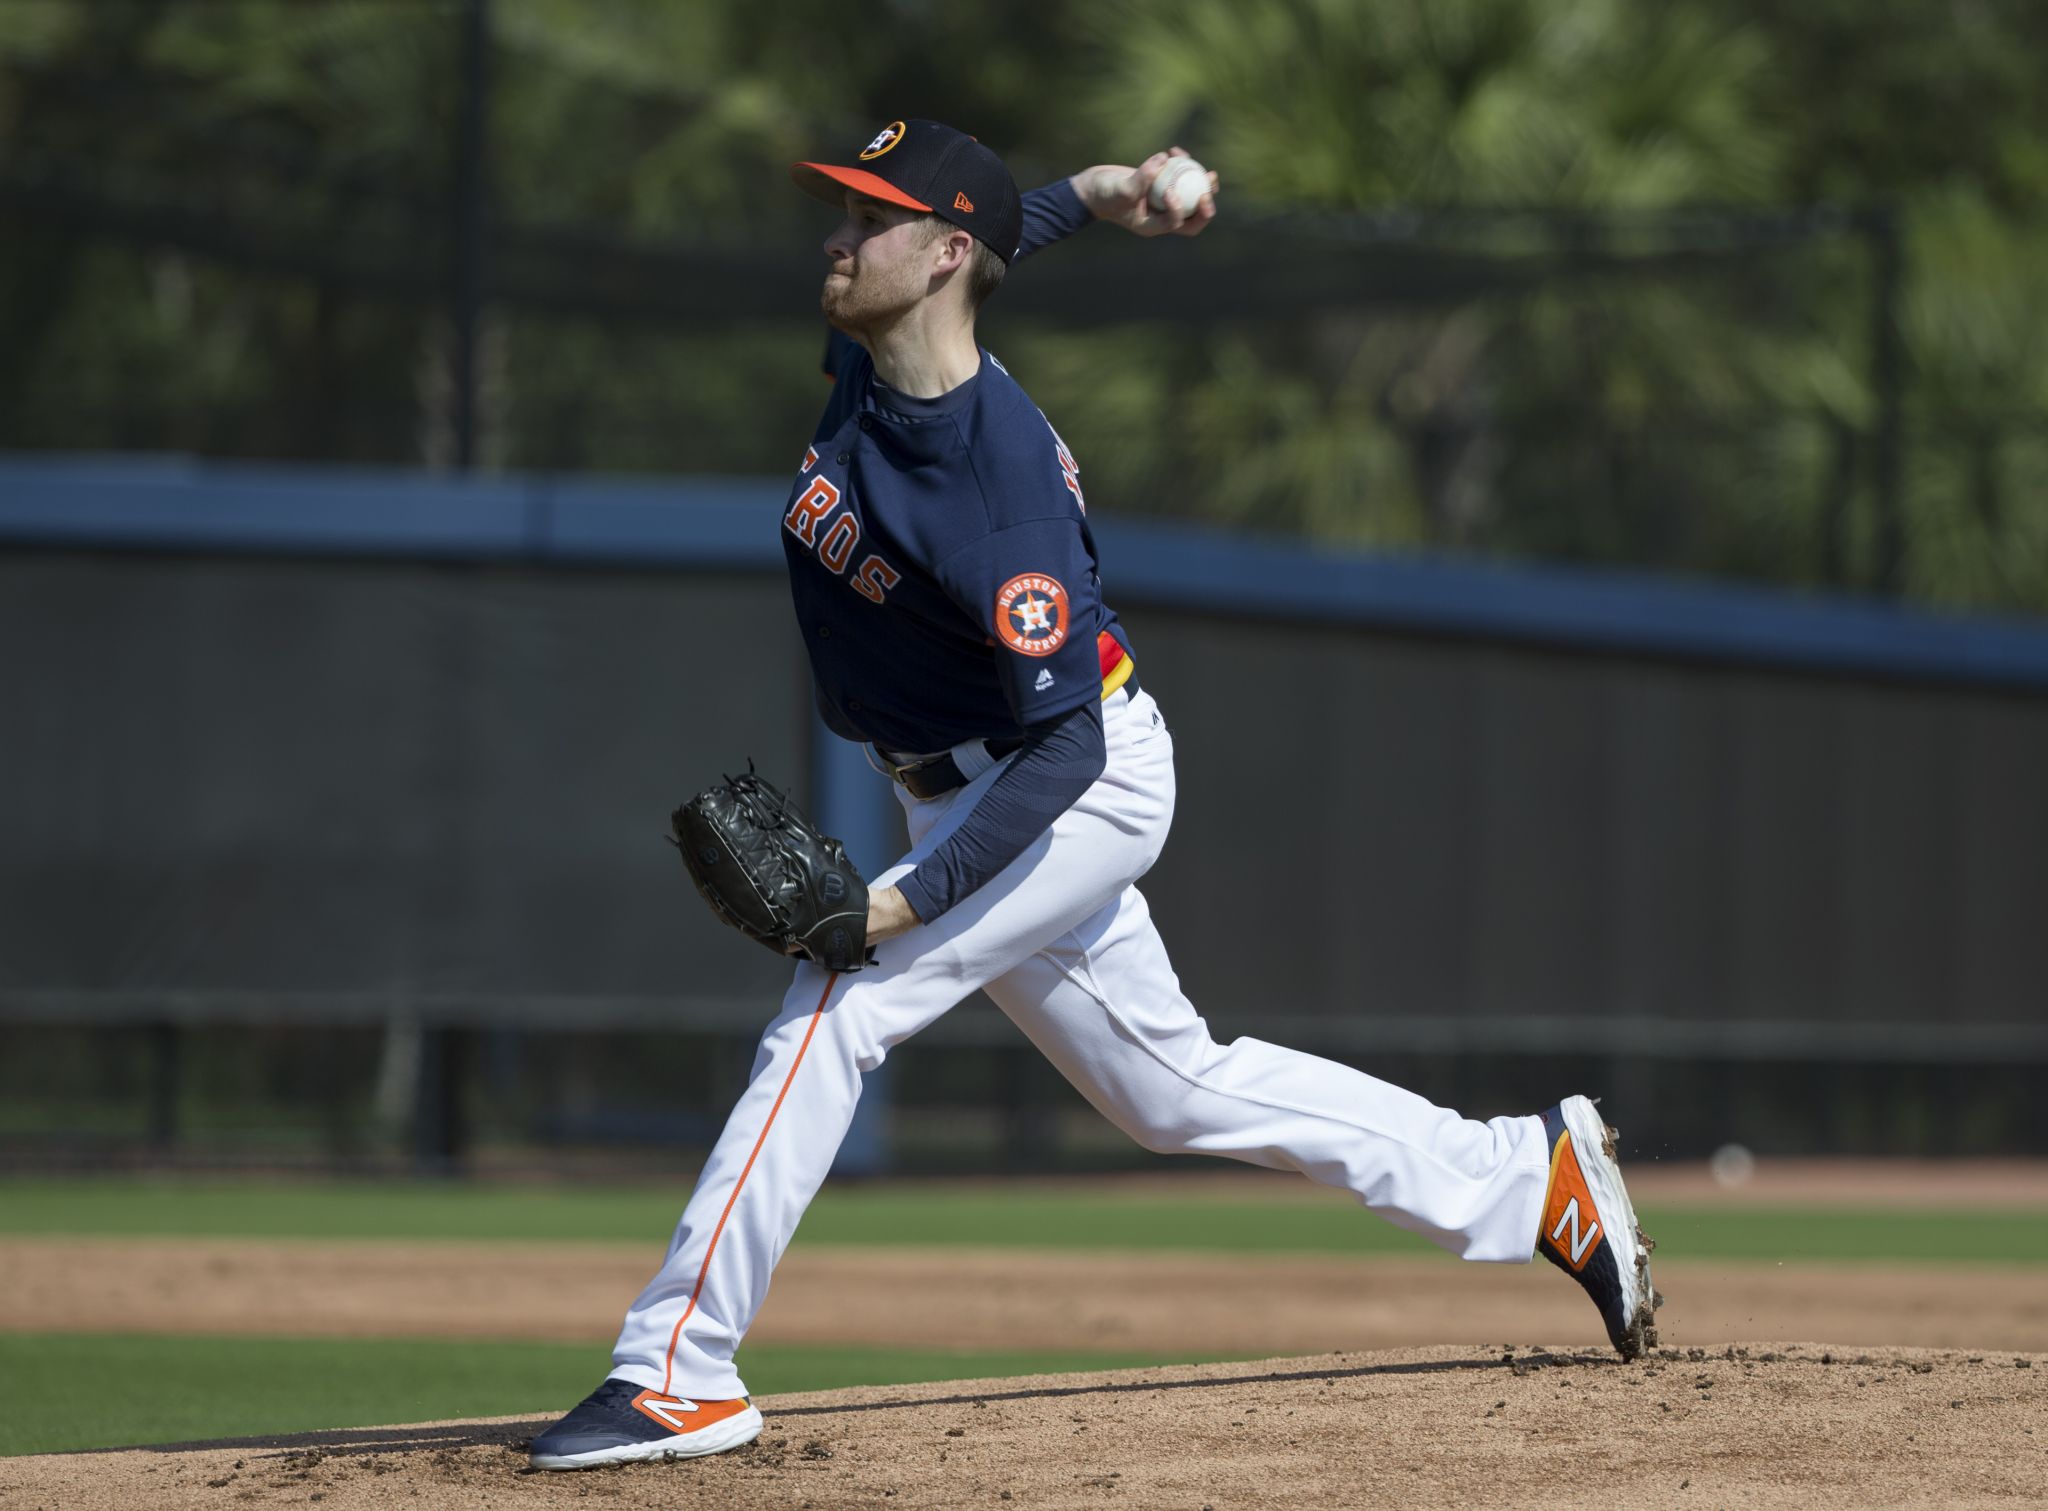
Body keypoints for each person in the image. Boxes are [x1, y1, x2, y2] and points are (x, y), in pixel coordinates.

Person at [529, 119, 1658, 1471]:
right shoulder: (882, 355)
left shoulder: (992, 484)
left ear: (942, 255)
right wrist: (1102, 193)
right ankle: (1529, 1178)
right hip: (966, 785)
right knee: (1173, 1091)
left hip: (1073, 780)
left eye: (866, 220)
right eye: (840, 212)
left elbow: (1066, 754)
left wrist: (903, 902)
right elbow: (1004, 233)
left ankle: (676, 1371)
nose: (836, 239)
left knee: (835, 1010)